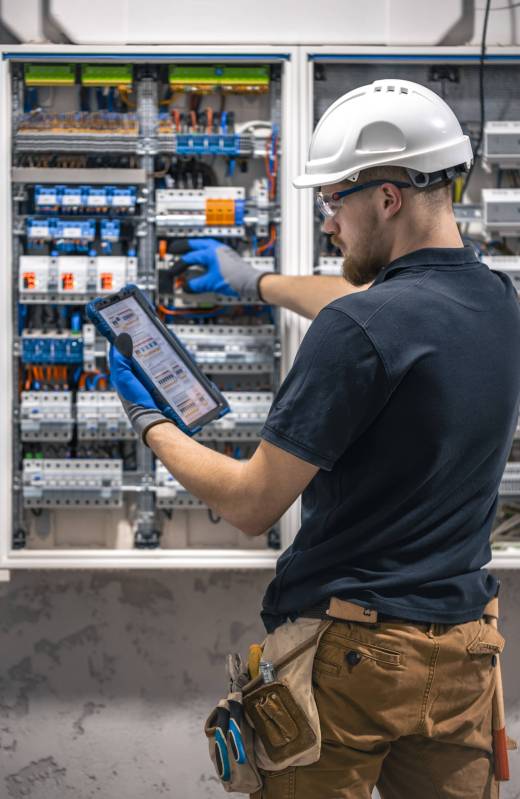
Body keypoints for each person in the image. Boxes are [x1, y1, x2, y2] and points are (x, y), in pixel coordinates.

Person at [110, 79, 520, 798]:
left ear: (386, 198)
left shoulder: (356, 332)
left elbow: (250, 504)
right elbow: (383, 309)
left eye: (334, 200)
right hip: (465, 655)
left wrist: (152, 422)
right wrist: (256, 281)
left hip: (353, 664)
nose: (329, 222)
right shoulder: (499, 302)